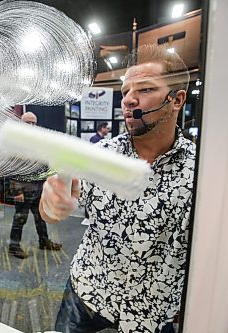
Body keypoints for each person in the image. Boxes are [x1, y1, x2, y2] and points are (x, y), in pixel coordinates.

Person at [39, 44, 195, 333]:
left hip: (150, 315)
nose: (129, 100)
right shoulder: (101, 155)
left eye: (145, 90)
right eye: (125, 92)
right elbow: (52, 207)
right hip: (86, 293)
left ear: (177, 99)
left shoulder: (199, 171)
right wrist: (51, 203)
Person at [8, 112, 62, 259]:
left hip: (38, 189)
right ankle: (13, 246)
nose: (31, 125)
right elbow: (12, 169)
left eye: (33, 123)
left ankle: (43, 241)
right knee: (20, 219)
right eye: (28, 122)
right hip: (23, 190)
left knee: (41, 217)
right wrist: (16, 190)